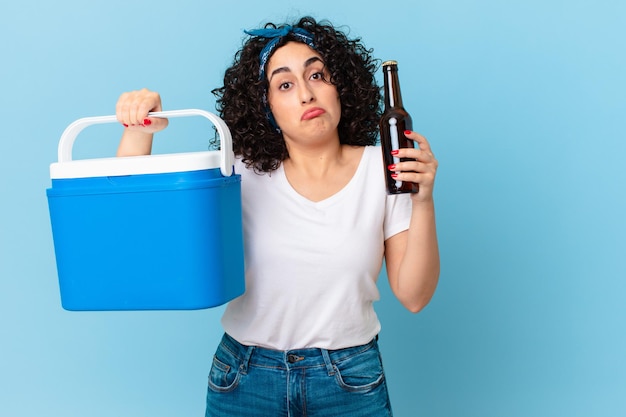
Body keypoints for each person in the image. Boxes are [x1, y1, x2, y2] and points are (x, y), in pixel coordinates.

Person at [115, 16, 439, 417]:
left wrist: (423, 200)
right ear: (265, 107)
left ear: (341, 87)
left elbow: (414, 296)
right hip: (245, 379)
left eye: (317, 74)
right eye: (285, 84)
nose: (306, 94)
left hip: (350, 381)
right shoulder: (240, 172)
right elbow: (131, 227)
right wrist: (138, 129)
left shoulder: (384, 168)